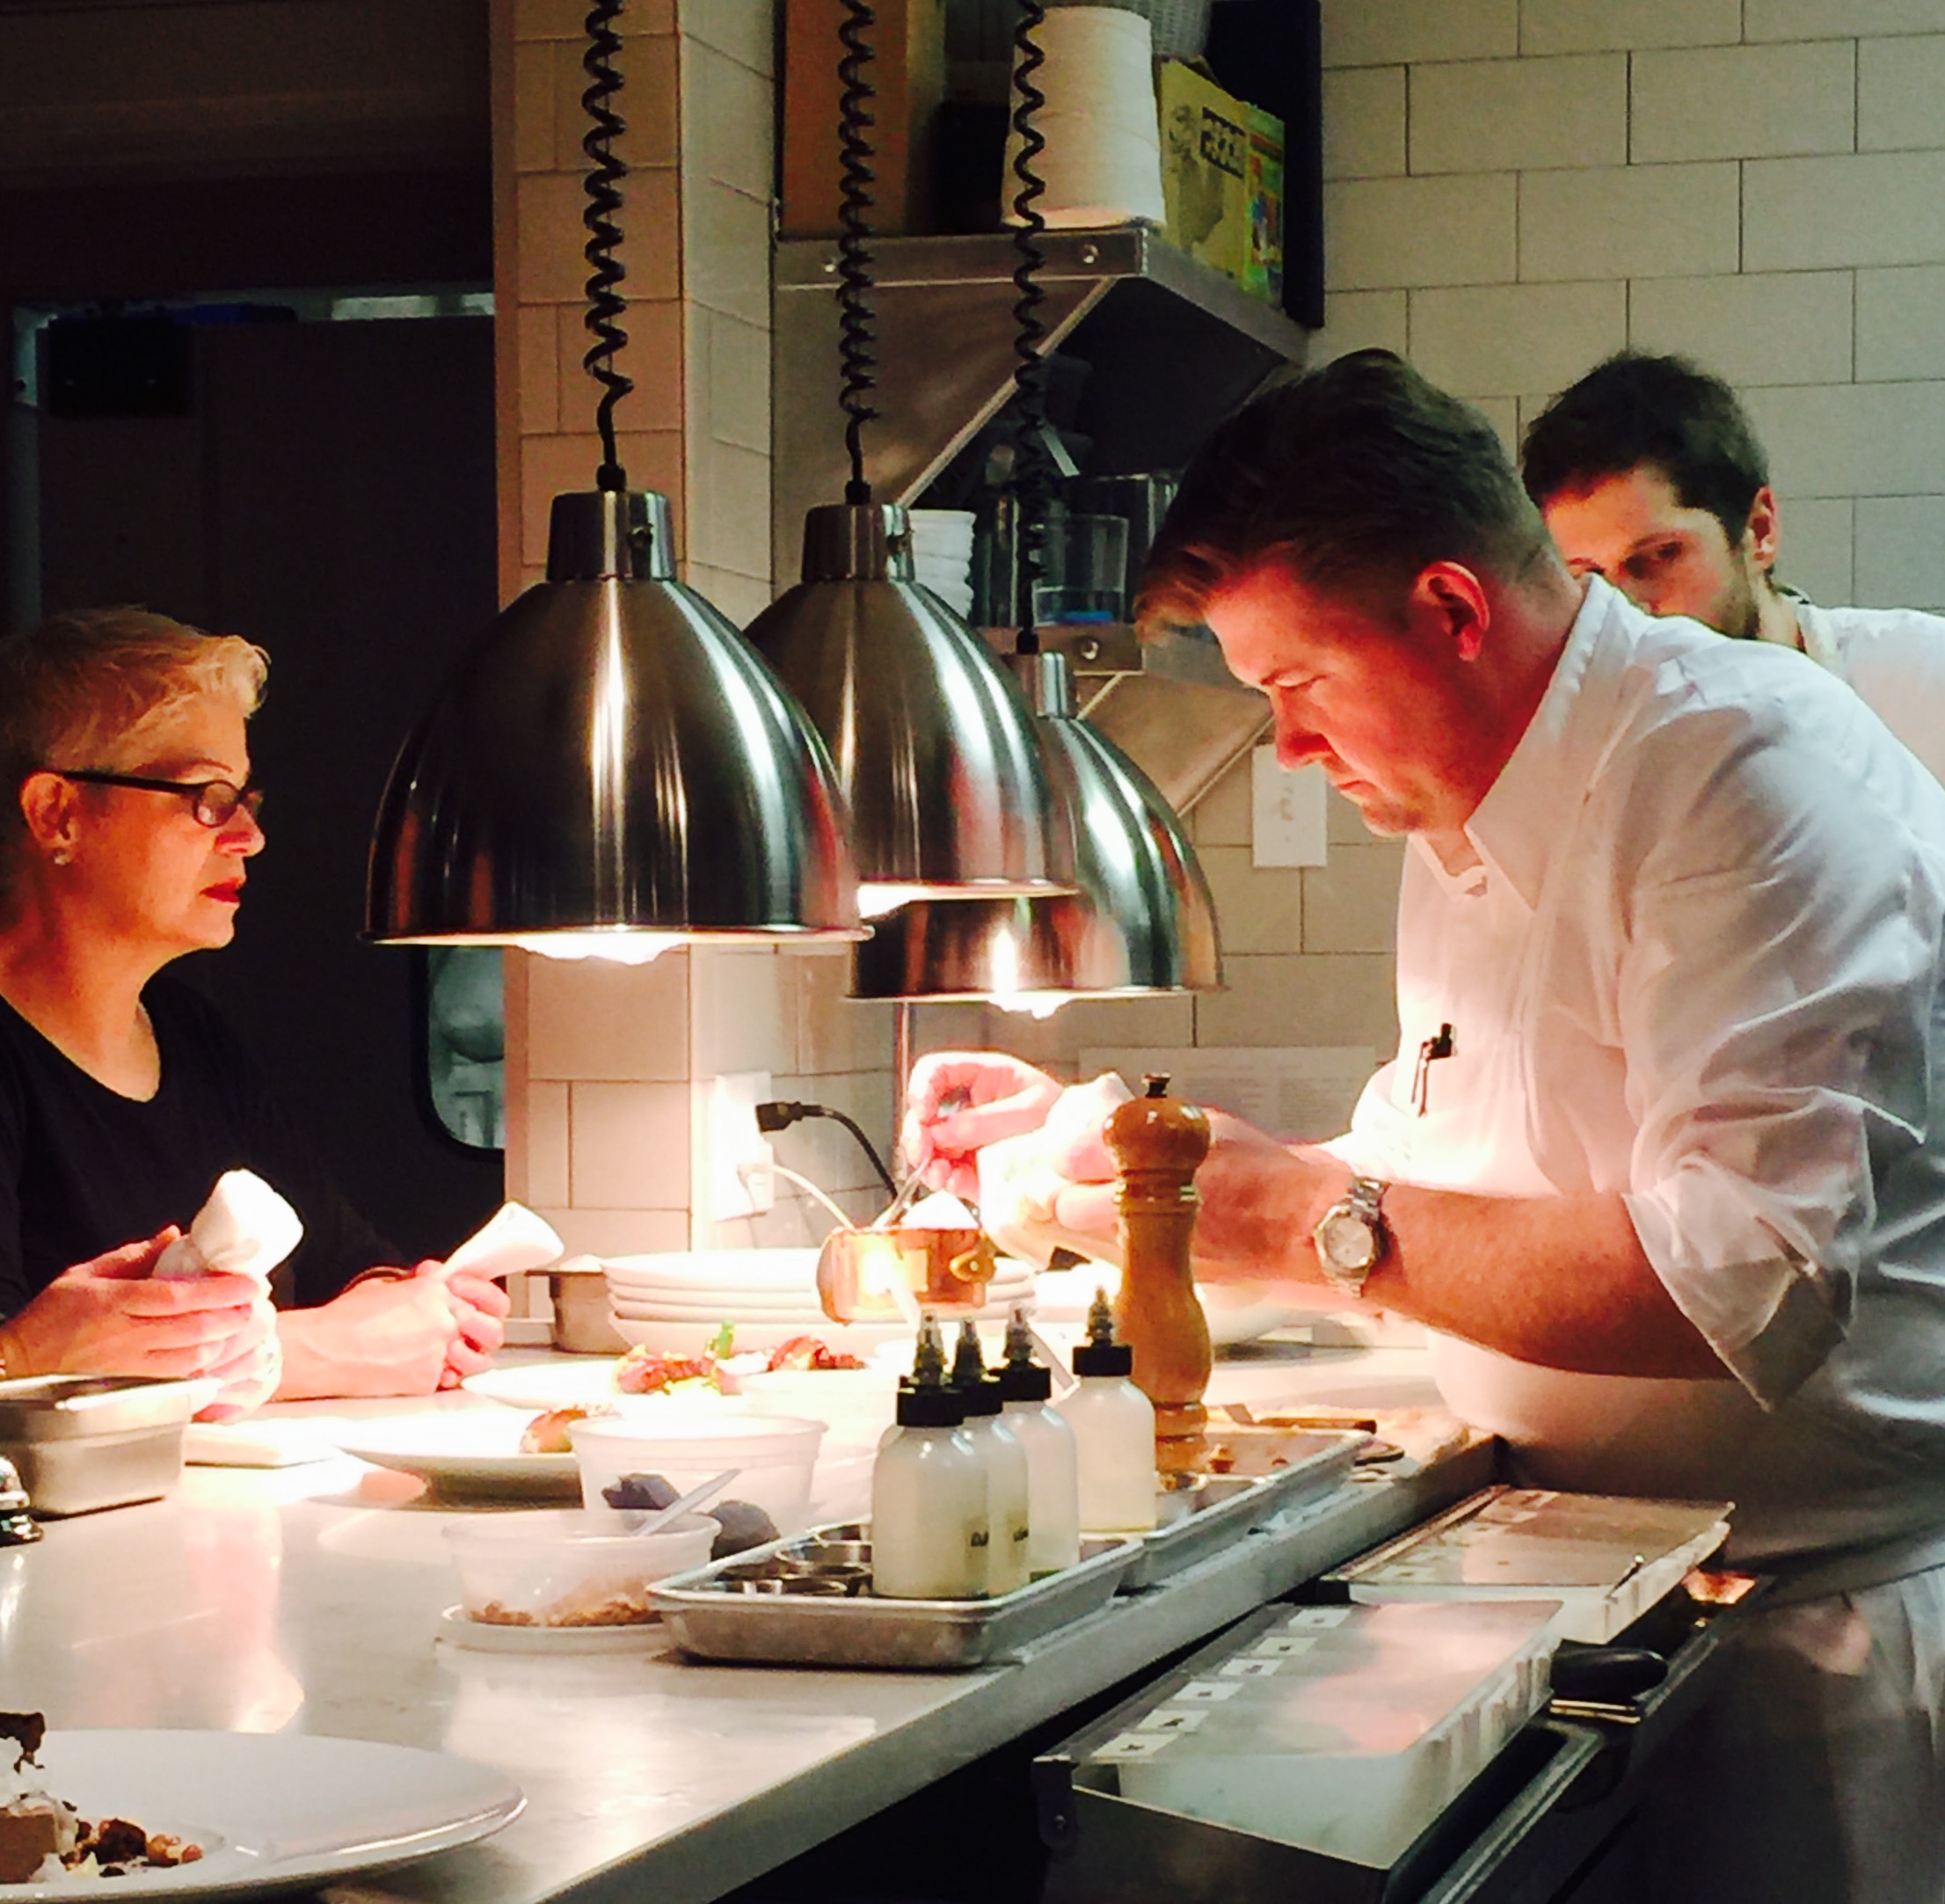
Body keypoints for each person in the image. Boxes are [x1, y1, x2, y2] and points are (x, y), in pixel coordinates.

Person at [906, 350, 1945, 1902]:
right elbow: (1423, 1181)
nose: (1290, 747)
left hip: (1816, 1653)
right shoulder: (1463, 800)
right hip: (1602, 1601)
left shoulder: (1737, 766)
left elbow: (1745, 1278)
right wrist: (1110, 1159)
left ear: (1452, 611)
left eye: (1297, 686)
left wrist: (1293, 1220)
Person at [0, 608, 509, 1405]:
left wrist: (417, 1309)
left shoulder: (192, 1037)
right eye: (207, 797)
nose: (248, 836)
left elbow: (352, 1262)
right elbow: (23, 1360)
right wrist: (312, 1352)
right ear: (55, 813)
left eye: (245, 799)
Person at [1522, 348, 1945, 781]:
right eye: (1589, 577)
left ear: (1759, 531)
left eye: (1660, 555)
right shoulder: (1589, 758)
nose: (1624, 608)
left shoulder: (1924, 684)